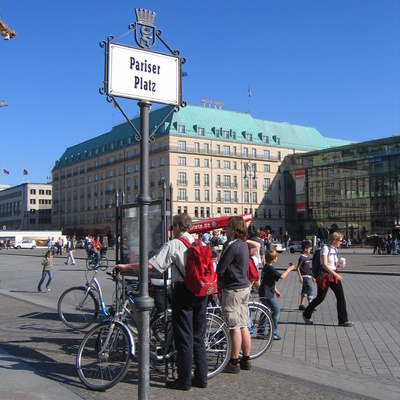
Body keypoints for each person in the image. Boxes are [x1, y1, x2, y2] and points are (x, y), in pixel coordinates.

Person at [115, 213, 208, 391]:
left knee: (184, 338)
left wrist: (127, 266)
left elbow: (152, 265)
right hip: (202, 292)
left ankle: (184, 380)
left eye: (173, 227)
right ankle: (202, 378)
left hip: (183, 291)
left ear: (178, 227)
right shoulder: (201, 243)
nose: (172, 230)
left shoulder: (174, 244)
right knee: (198, 337)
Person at [216, 216, 253, 373]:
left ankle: (233, 361)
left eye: (227, 226)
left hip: (233, 289)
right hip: (244, 287)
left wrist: (219, 281)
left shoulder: (232, 246)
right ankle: (246, 359)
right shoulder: (243, 244)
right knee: (243, 324)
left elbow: (220, 268)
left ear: (233, 228)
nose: (226, 228)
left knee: (233, 326)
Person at [302, 232, 354, 327]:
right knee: (320, 298)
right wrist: (335, 274)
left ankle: (343, 320)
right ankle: (306, 314)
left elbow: (331, 264)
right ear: (334, 240)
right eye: (340, 241)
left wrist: (338, 265)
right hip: (325, 276)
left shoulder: (335, 250)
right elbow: (324, 265)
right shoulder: (325, 249)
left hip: (333, 275)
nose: (341, 243)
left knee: (340, 297)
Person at [258, 250, 295, 340]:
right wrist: (289, 270)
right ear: (273, 259)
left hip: (265, 291)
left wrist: (276, 291)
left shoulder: (266, 267)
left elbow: (269, 281)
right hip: (267, 293)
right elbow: (281, 277)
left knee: (266, 310)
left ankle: (261, 331)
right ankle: (273, 331)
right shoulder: (270, 268)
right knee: (276, 310)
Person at [296, 241, 314, 310]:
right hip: (305, 276)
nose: (310, 250)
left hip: (308, 276)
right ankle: (310, 305)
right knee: (310, 289)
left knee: (305, 290)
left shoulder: (307, 258)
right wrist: (300, 276)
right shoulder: (302, 258)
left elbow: (309, 269)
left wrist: (313, 277)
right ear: (305, 249)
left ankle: (301, 305)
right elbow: (298, 268)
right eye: (309, 249)